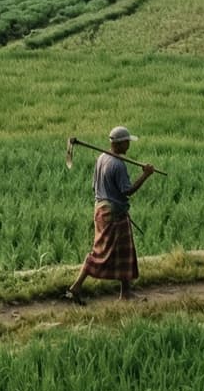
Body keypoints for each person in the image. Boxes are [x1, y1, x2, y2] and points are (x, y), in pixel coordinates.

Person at [66, 125, 155, 301]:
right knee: (100, 253)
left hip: (101, 210)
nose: (129, 145)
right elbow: (127, 191)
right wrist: (145, 175)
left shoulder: (101, 158)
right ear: (120, 144)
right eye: (127, 142)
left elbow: (94, 186)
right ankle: (76, 287)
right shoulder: (118, 164)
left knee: (124, 253)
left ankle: (126, 293)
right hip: (113, 215)